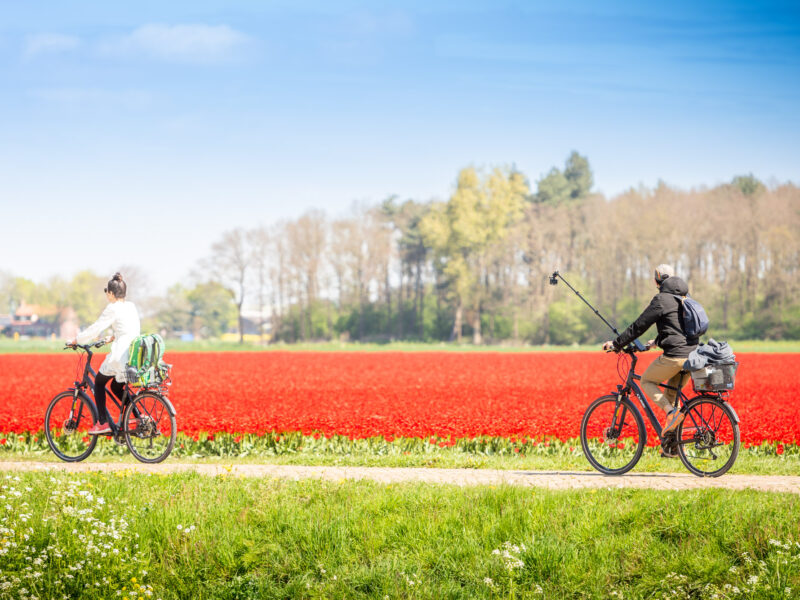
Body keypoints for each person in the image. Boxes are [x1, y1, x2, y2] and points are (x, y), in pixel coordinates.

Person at [602, 264, 698, 455]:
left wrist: (617, 344)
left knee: (647, 381)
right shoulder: (683, 298)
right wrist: (656, 342)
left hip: (675, 357)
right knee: (671, 397)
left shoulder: (661, 299)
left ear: (657, 280)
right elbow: (677, 328)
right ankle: (674, 446)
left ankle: (671, 414)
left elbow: (639, 326)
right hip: (693, 357)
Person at [66, 273, 141, 435]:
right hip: (133, 354)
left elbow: (96, 327)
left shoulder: (112, 308)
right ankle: (138, 417)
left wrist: (76, 340)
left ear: (111, 294)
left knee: (99, 383)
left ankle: (102, 423)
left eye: (107, 292)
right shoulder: (131, 306)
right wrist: (112, 337)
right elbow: (129, 329)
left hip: (120, 355)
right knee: (116, 386)